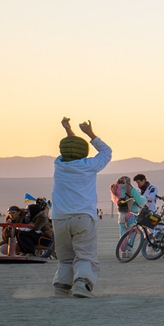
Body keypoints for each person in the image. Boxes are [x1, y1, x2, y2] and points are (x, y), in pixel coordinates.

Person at [47, 117, 112, 297]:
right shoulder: (89, 165)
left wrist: (68, 130)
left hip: (59, 218)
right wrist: (90, 134)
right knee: (85, 255)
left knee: (65, 257)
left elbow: (71, 148)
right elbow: (106, 152)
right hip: (83, 217)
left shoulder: (59, 164)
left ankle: (61, 286)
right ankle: (82, 284)